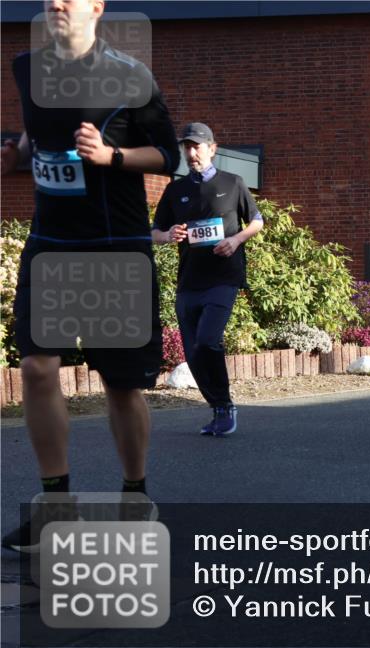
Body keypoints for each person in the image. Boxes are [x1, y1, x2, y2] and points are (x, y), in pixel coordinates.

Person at [2, 0, 179, 551]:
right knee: (36, 367)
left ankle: (135, 496)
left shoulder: (130, 75)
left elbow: (168, 154)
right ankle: (56, 507)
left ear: (96, 8)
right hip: (52, 242)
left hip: (115, 247)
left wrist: (113, 156)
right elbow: (39, 137)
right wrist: (16, 153)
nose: (56, 3)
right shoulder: (28, 68)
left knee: (121, 387)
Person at [152, 123, 263, 436]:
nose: (191, 152)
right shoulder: (176, 190)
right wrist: (167, 235)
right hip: (189, 282)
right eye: (187, 147)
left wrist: (236, 240)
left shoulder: (233, 182)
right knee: (193, 352)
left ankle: (225, 405)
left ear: (212, 148)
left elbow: (256, 221)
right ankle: (218, 409)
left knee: (207, 339)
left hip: (223, 278)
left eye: (197, 146)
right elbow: (154, 231)